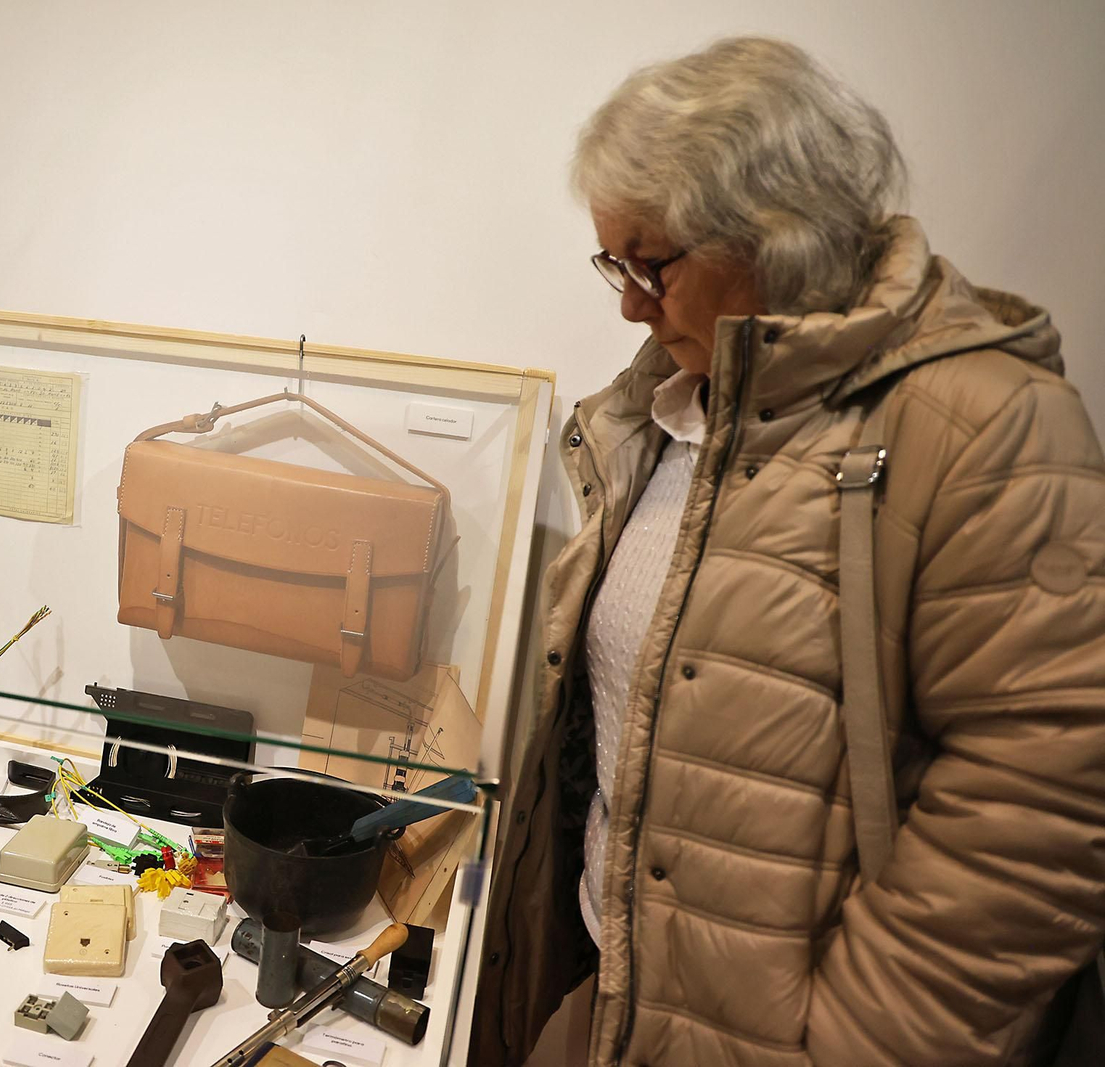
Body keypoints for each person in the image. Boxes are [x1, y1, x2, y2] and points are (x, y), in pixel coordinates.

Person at [472, 36, 1105, 1067]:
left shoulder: (986, 426)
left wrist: (855, 1041)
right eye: (613, 263)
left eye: (651, 263)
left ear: (777, 234)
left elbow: (1036, 816)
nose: (628, 304)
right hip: (616, 994)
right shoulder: (661, 415)